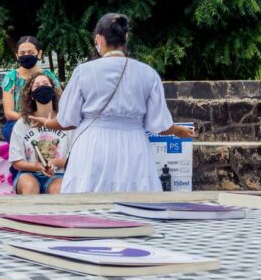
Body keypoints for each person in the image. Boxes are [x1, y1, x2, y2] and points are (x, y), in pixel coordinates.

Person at [31, 13, 195, 193]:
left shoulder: (83, 72)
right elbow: (159, 124)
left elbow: (67, 121)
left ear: (99, 39)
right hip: (133, 145)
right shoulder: (147, 73)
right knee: (136, 202)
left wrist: (45, 122)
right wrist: (179, 130)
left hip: (93, 145)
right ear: (126, 37)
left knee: (89, 198)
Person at [9, 74, 73, 195]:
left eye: (45, 84)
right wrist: (37, 166)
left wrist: (56, 162)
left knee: (58, 189)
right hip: (28, 174)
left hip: (58, 174)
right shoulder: (22, 124)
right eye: (37, 85)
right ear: (31, 95)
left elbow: (74, 159)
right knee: (30, 186)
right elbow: (16, 161)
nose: (41, 87)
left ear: (53, 91)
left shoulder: (66, 122)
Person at [0, 36, 61, 141]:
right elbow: (9, 113)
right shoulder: (11, 78)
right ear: (17, 55)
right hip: (21, 121)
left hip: (47, 119)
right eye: (22, 53)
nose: (26, 55)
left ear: (39, 53)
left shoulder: (48, 76)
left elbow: (61, 101)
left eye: (30, 52)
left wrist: (47, 121)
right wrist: (31, 120)